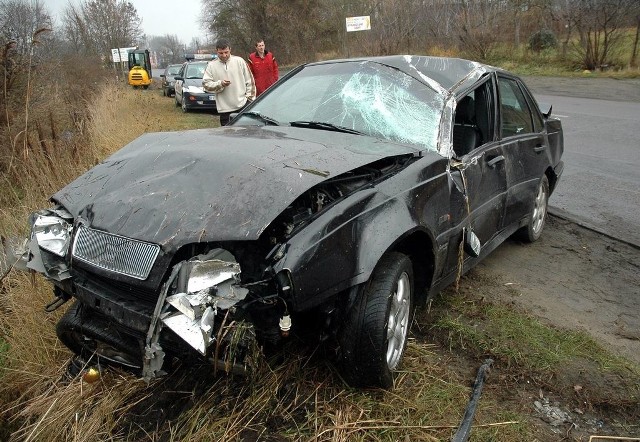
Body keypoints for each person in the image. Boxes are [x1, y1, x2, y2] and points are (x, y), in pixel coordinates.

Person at [203, 40, 256, 126]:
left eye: (226, 52)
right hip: (224, 110)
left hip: (242, 106)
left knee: (245, 135)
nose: (224, 55)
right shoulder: (211, 65)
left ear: (230, 49)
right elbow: (206, 85)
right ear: (216, 51)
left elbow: (250, 82)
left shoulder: (240, 61)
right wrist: (220, 84)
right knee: (228, 138)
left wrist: (250, 100)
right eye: (221, 53)